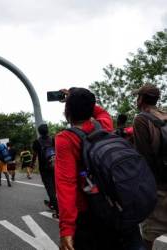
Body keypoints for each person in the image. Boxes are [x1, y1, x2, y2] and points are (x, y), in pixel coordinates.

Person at [55, 87, 145, 250]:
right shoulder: (104, 124)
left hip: (89, 215)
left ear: (67, 111)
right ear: (91, 108)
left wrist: (66, 229)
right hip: (119, 203)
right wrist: (77, 96)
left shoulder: (65, 139)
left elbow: (66, 184)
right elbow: (100, 111)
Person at [133, 84, 167, 250]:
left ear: (141, 99)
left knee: (148, 235)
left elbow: (143, 159)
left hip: (158, 189)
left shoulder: (141, 119)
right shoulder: (165, 115)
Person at [31, 124, 58, 215]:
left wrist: (32, 164)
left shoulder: (36, 142)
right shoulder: (53, 140)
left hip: (44, 168)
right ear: (48, 131)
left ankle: (57, 209)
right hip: (55, 165)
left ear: (39, 132)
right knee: (54, 186)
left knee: (49, 188)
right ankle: (52, 202)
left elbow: (34, 155)